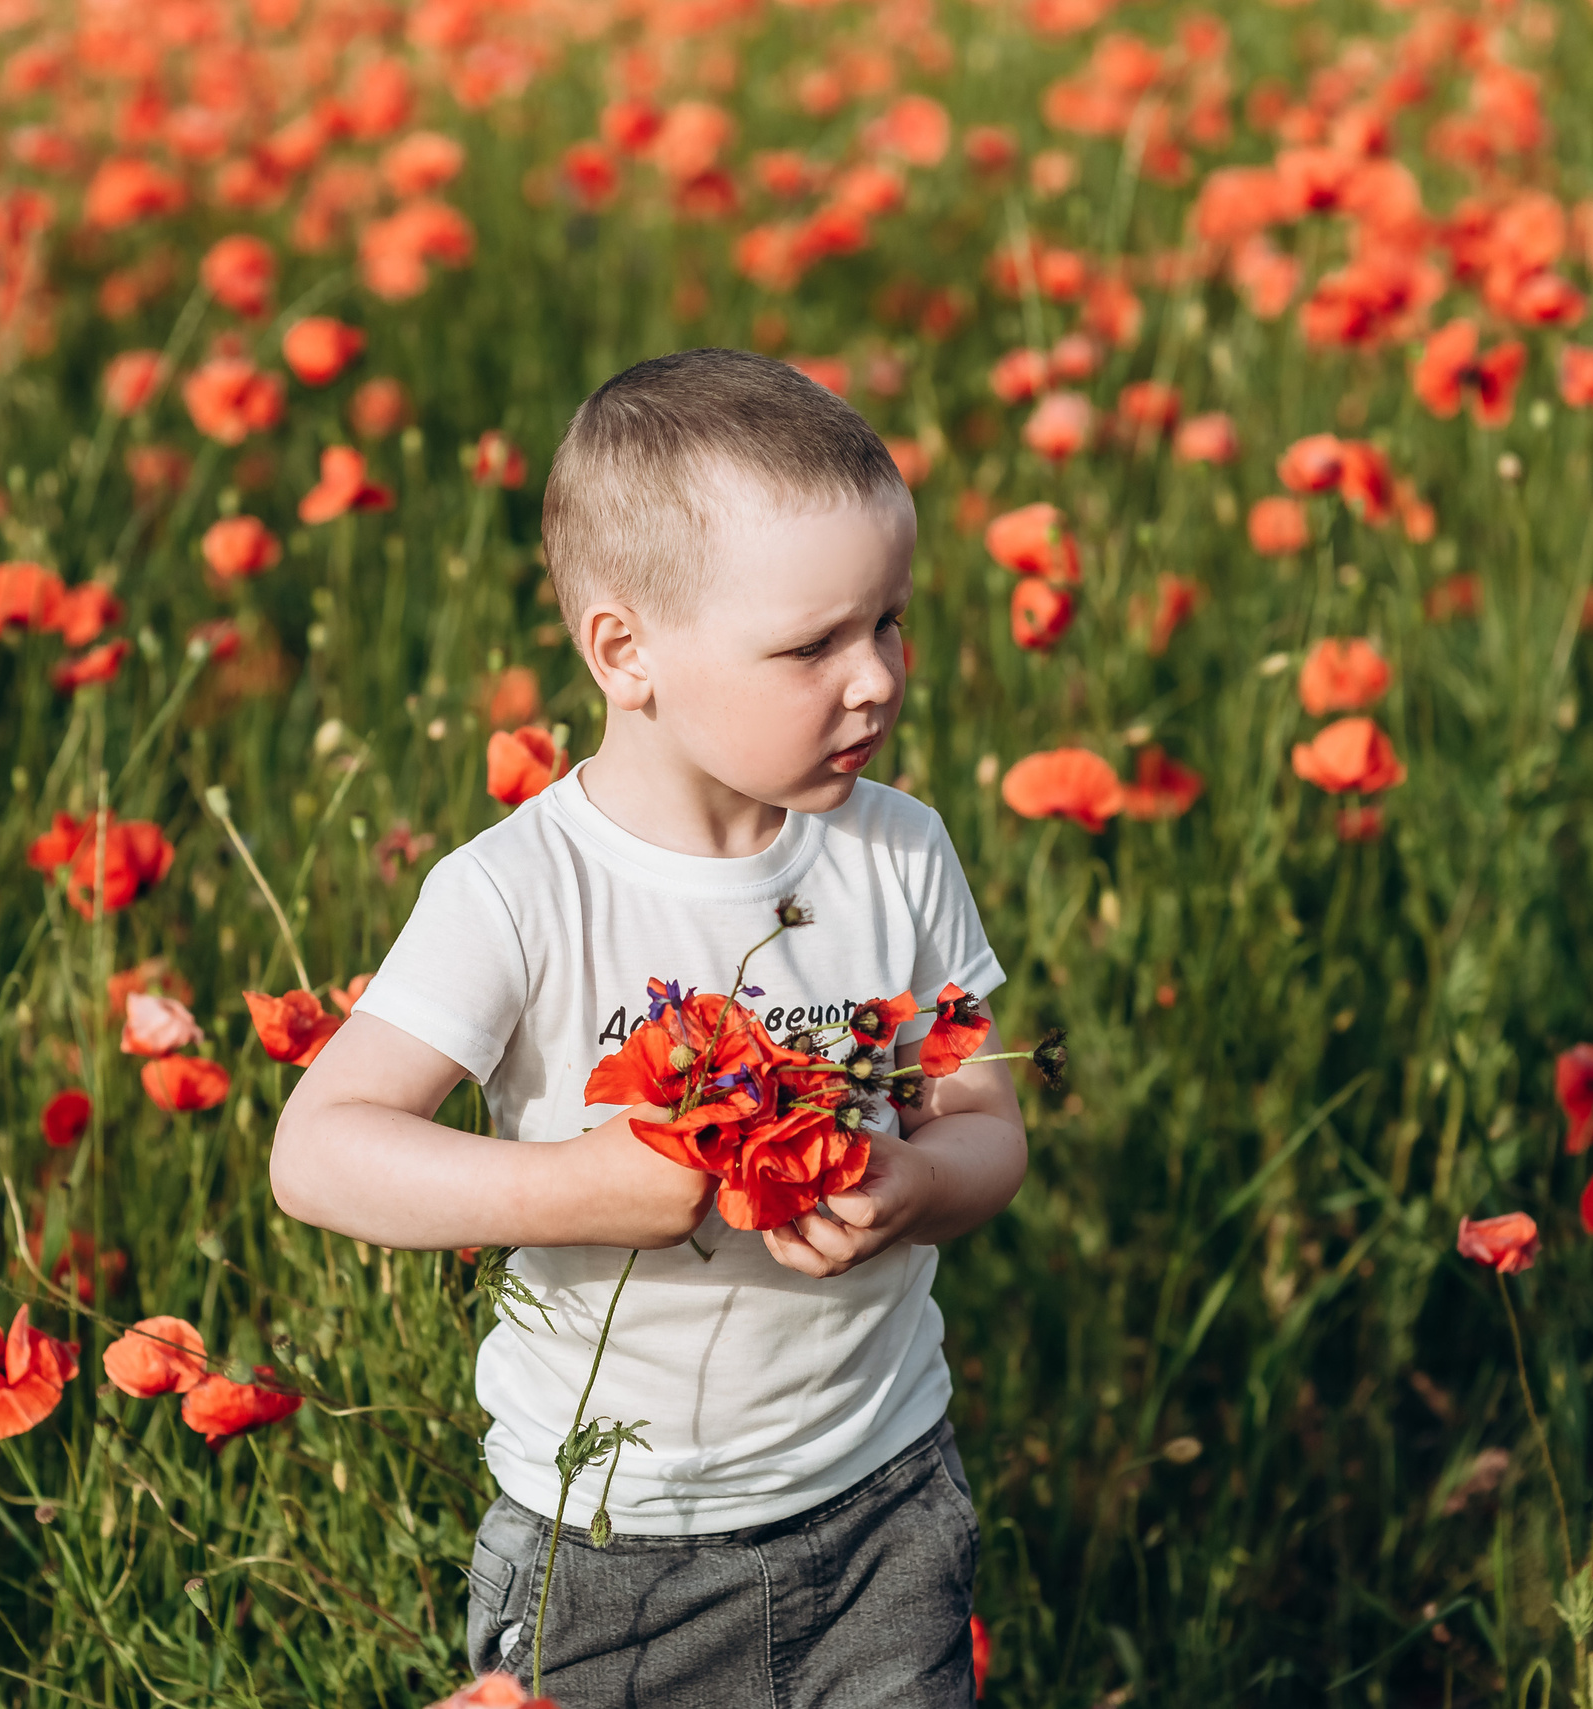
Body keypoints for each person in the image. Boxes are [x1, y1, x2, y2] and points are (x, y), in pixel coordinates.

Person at [269, 347, 1027, 1705]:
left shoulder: (901, 852)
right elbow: (318, 1151)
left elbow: (985, 1121)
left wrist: (915, 1186)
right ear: (625, 654)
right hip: (613, 1551)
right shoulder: (519, 892)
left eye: (890, 623)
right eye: (812, 645)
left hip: (884, 1496)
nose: (874, 679)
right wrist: (578, 1188)